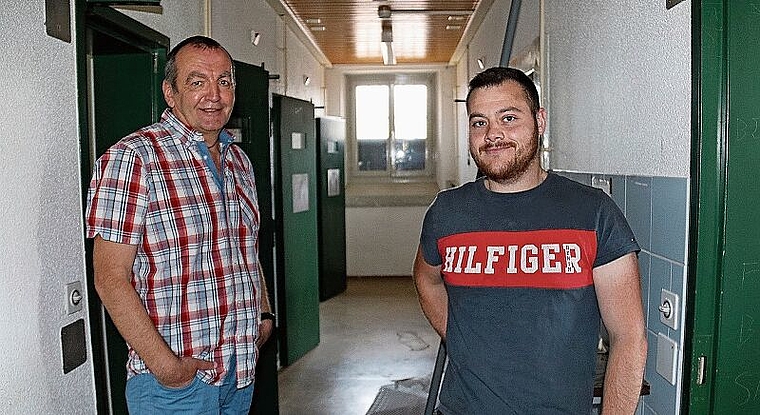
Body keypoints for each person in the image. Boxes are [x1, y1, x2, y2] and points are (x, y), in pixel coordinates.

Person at [413, 67, 647, 414]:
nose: (493, 134)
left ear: (540, 121)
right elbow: (425, 278)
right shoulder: (447, 213)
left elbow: (629, 338)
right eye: (479, 122)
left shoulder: (593, 212)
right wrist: (460, 338)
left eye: (508, 118)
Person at [85, 36, 273, 414]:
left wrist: (264, 315)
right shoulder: (134, 159)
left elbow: (245, 251)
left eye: (224, 80)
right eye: (197, 81)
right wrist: (169, 368)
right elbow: (109, 277)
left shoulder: (239, 163)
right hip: (174, 387)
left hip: (240, 370)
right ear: (170, 93)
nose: (214, 95)